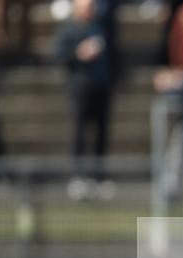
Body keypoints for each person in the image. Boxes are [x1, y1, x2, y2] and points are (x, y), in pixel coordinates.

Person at [54, 0, 118, 200]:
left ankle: (99, 178)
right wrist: (78, 53)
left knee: (101, 134)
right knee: (79, 134)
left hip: (102, 86)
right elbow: (58, 55)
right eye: (88, 7)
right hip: (80, 89)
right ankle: (78, 178)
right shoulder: (69, 29)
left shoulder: (101, 26)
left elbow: (113, 53)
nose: (92, 10)